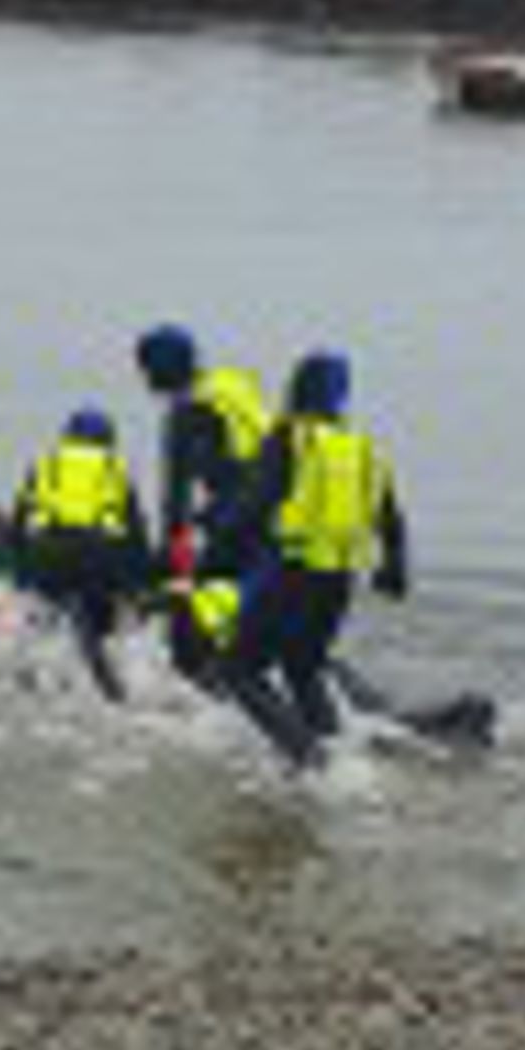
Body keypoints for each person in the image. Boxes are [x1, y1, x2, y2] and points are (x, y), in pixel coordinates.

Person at [206, 346, 409, 764]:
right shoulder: (362, 449)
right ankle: (339, 759)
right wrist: (393, 570)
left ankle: (309, 759)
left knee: (238, 670)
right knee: (303, 669)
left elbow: (252, 507)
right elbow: (392, 523)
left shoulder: (289, 437)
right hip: (337, 584)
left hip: (290, 574)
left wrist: (213, 561)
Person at [10, 402, 154, 700]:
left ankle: (33, 683)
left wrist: (20, 574)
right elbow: (136, 533)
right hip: (98, 555)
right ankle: (108, 687)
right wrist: (138, 586)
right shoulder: (114, 468)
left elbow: (19, 524)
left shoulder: (46, 464)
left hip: (48, 551)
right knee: (101, 627)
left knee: (43, 619)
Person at [133, 325, 273, 563]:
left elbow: (177, 491)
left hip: (244, 510)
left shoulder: (188, 412)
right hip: (276, 505)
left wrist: (170, 548)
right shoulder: (231, 384)